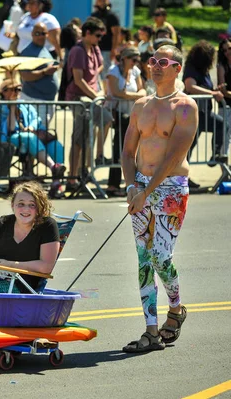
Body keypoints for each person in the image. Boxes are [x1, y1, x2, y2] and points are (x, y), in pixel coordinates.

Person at [121, 45, 196, 353]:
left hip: (170, 191)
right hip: (140, 188)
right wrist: (131, 188)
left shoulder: (185, 107)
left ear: (177, 68)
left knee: (160, 257)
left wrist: (145, 193)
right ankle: (150, 331)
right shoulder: (140, 105)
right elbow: (128, 152)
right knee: (143, 262)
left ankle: (176, 308)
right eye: (152, 61)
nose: (155, 66)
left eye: (163, 62)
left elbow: (172, 157)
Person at [0, 78, 66, 199]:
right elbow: (9, 129)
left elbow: (36, 119)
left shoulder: (26, 104)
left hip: (31, 136)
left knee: (56, 145)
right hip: (9, 138)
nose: (16, 92)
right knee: (28, 137)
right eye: (12, 89)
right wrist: (11, 108)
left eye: (18, 89)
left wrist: (31, 126)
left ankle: (56, 183)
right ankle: (53, 166)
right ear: (3, 92)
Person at [65, 17, 113, 192]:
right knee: (79, 139)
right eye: (97, 35)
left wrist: (98, 88)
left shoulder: (94, 48)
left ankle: (96, 159)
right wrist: (97, 96)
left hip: (92, 98)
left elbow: (99, 67)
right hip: (80, 98)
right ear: (87, 33)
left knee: (107, 120)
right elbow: (78, 80)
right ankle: (72, 177)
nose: (100, 39)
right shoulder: (77, 51)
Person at [105, 46, 145, 197]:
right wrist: (134, 96)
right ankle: (113, 183)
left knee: (133, 150)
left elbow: (143, 91)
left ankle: (133, 183)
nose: (136, 63)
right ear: (124, 59)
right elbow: (115, 92)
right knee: (119, 149)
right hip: (117, 115)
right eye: (133, 60)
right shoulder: (113, 71)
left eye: (137, 60)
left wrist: (127, 95)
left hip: (131, 115)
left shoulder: (135, 71)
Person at [183, 40, 227, 164]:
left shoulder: (204, 71)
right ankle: (216, 155)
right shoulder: (191, 69)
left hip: (202, 111)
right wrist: (212, 94)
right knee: (221, 124)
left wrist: (214, 90)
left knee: (190, 146)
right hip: (194, 113)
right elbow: (190, 86)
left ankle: (181, 176)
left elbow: (203, 87)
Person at [19, 22, 59, 126]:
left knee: (42, 132)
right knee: (37, 133)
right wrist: (45, 72)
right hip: (35, 101)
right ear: (32, 34)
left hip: (47, 100)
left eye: (43, 33)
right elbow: (25, 75)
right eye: (37, 33)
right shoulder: (28, 52)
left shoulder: (44, 49)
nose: (40, 36)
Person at [91, 0, 120, 78]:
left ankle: (107, 89)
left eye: (103, 1)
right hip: (94, 48)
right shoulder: (94, 16)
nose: (100, 2)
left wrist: (114, 49)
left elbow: (116, 34)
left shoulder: (112, 16)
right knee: (93, 70)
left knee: (106, 72)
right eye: (99, 1)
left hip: (107, 49)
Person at [216, 38, 231, 157]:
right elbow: (223, 91)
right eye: (224, 50)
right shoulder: (222, 66)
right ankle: (225, 171)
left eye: (230, 48)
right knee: (225, 139)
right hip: (226, 107)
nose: (228, 52)